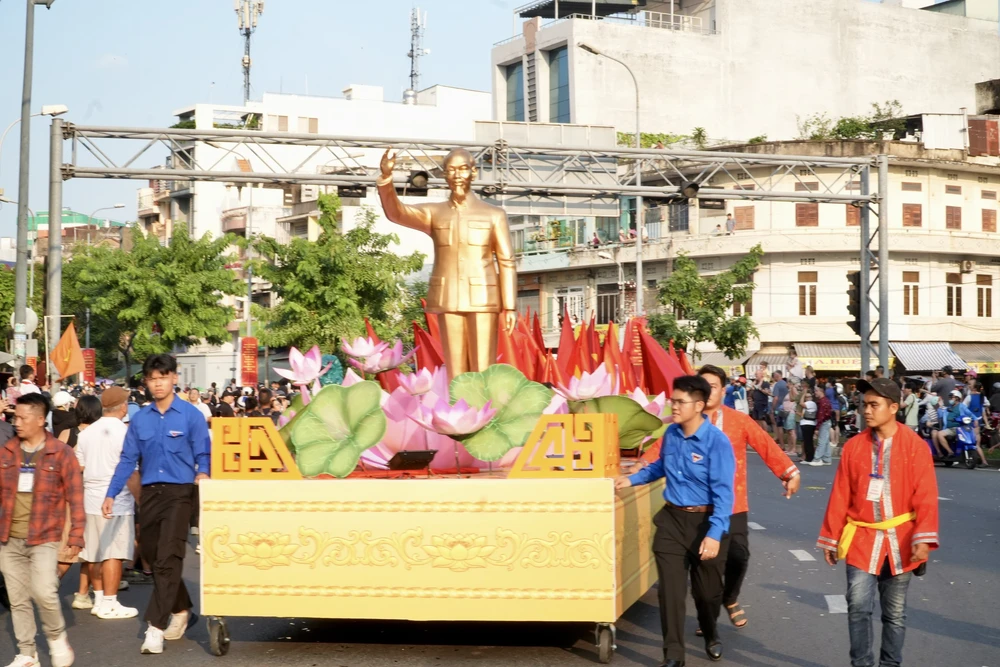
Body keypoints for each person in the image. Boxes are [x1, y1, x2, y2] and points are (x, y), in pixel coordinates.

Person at [817, 378, 939, 667]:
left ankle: (890, 664)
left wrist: (923, 539)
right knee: (857, 608)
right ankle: (861, 664)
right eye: (865, 404)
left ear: (893, 407)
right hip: (861, 540)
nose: (866, 411)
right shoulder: (853, 447)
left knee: (894, 613)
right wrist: (831, 537)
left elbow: (926, 495)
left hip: (902, 541)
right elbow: (840, 494)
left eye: (874, 405)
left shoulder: (915, 446)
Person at [616, 375, 735, 666]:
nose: (675, 406)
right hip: (672, 522)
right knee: (670, 592)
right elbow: (659, 468)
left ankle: (710, 631)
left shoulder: (717, 443)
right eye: (673, 400)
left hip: (706, 523)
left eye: (680, 401)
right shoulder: (670, 434)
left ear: (698, 405)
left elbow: (724, 493)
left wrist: (715, 534)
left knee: (706, 595)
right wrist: (630, 480)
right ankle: (673, 656)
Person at [103, 354, 211, 655]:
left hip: (180, 494)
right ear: (147, 383)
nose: (158, 383)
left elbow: (204, 454)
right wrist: (111, 493)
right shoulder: (140, 419)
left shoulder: (191, 415)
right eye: (152, 378)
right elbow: (128, 459)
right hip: (149, 494)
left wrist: (202, 473)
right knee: (151, 554)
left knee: (169, 556)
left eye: (163, 377)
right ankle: (182, 608)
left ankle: (155, 627)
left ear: (174, 378)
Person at [0, 393, 81, 667]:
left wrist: (76, 536)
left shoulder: (61, 452)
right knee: (17, 598)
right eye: (14, 417)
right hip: (8, 538)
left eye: (22, 417)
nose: (17, 422)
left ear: (39, 419)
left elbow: (75, 496)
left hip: (44, 536)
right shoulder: (6, 451)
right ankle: (27, 653)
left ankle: (57, 639)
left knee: (44, 591)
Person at [75, 387, 140, 620]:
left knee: (94, 551)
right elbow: (131, 472)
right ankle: (110, 603)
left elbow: (79, 468)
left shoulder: (86, 434)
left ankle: (100, 598)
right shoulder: (125, 434)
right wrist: (142, 500)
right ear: (123, 406)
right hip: (117, 498)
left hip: (90, 496)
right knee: (114, 552)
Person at [812, 384, 835, 466]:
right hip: (827, 421)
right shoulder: (826, 400)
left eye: (816, 391)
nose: (815, 393)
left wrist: (817, 428)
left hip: (824, 422)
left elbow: (821, 415)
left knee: (821, 441)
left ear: (821, 391)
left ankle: (817, 459)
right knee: (825, 441)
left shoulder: (822, 401)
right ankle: (827, 458)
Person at [771, 371, 789, 447]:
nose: (773, 378)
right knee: (788, 428)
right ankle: (790, 445)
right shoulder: (786, 384)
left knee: (779, 426)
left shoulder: (777, 385)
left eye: (774, 376)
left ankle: (782, 445)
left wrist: (772, 408)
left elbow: (776, 397)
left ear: (777, 376)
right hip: (788, 407)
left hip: (779, 408)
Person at [800, 397, 818, 464]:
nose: (807, 398)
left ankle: (809, 458)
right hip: (805, 423)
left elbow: (801, 403)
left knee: (808, 441)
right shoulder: (808, 404)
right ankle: (808, 457)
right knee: (807, 441)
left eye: (808, 396)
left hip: (808, 424)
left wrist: (803, 394)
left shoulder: (811, 403)